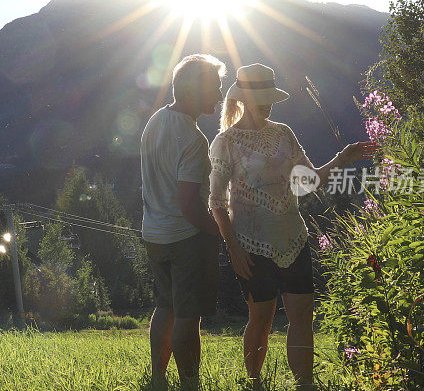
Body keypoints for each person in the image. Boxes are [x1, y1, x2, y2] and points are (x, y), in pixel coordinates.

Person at [208, 63, 378, 389]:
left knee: (303, 319)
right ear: (243, 98)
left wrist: (341, 158)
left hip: (294, 240)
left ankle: (305, 385)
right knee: (261, 320)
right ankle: (254, 382)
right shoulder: (225, 142)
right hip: (251, 245)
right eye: (261, 97)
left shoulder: (284, 132)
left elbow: (309, 182)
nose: (268, 103)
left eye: (270, 96)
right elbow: (216, 201)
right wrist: (232, 247)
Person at [140, 54, 226, 389]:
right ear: (191, 91)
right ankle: (190, 382)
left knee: (166, 306)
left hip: (154, 235)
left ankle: (158, 379)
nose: (218, 97)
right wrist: (219, 230)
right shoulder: (193, 139)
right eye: (213, 89)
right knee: (189, 317)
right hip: (185, 238)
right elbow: (190, 205)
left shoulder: (155, 121)